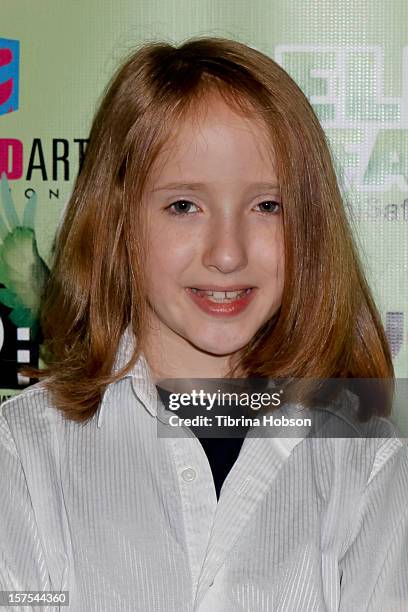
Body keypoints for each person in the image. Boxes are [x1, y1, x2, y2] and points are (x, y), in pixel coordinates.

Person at [1, 37, 407, 612]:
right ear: (119, 221)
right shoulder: (23, 455)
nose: (226, 253)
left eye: (268, 206)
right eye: (183, 206)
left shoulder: (366, 467)